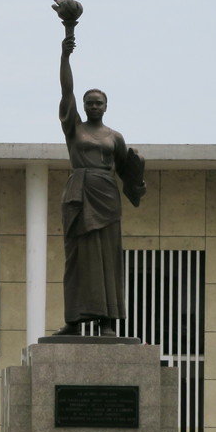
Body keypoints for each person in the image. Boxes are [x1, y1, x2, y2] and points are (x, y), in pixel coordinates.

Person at [53, 34, 145, 336]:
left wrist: (137, 176)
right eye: (89, 102)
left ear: (106, 106)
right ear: (83, 105)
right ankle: (74, 321)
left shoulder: (114, 137)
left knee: (108, 259)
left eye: (99, 102)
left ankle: (107, 322)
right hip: (79, 197)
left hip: (106, 198)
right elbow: (66, 90)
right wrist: (65, 55)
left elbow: (126, 169)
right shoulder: (74, 129)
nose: (94, 105)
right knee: (77, 259)